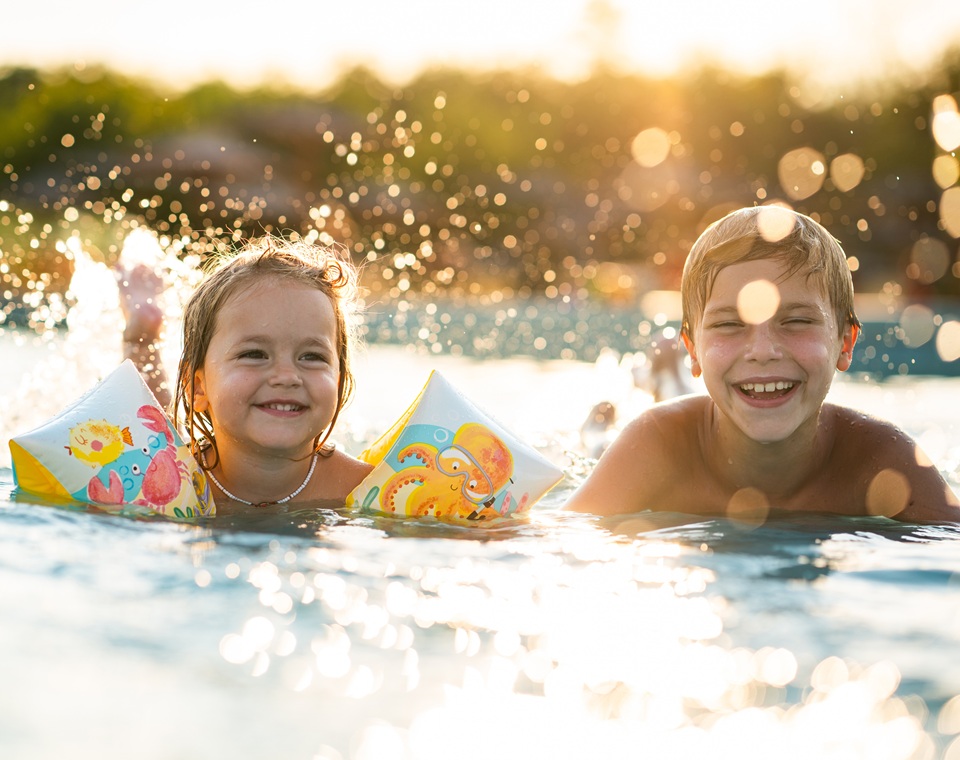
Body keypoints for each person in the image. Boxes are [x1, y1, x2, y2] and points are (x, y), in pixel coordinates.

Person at [565, 206, 960, 523]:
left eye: (796, 321)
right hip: (661, 427)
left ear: (845, 342)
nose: (763, 349)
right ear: (696, 351)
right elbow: (563, 536)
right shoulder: (657, 445)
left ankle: (668, 372)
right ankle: (660, 377)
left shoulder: (881, 460)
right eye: (729, 324)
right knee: (599, 443)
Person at [119, 237, 372, 514]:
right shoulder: (164, 478)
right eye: (254, 354)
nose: (287, 376)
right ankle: (141, 337)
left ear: (339, 382)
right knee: (161, 438)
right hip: (179, 460)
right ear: (198, 387)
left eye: (312, 357)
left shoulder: (363, 489)